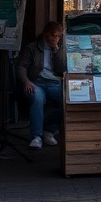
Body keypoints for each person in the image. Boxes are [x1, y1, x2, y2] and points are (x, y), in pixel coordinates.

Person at [15, 21, 66, 149]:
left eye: (59, 36)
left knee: (67, 100)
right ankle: (36, 136)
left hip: (55, 82)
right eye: (54, 36)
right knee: (37, 98)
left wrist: (56, 51)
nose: (57, 39)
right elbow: (21, 66)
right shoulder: (32, 48)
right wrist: (26, 80)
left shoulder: (61, 47)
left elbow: (62, 68)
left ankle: (49, 129)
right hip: (36, 82)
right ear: (46, 34)